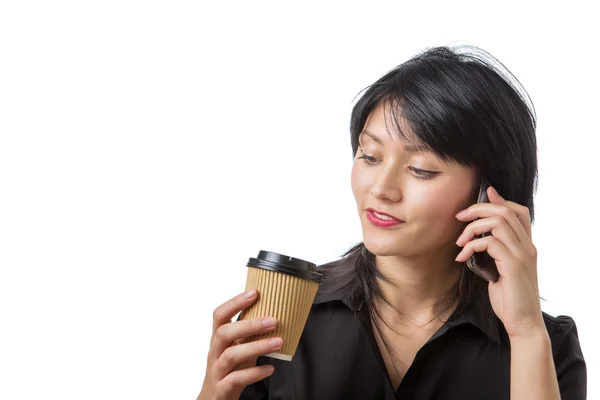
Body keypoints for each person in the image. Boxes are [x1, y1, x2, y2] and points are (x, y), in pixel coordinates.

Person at [197, 45, 587, 400]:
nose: (382, 188)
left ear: (489, 193)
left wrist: (525, 333)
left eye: (421, 170)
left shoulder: (544, 344)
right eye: (369, 156)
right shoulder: (282, 318)